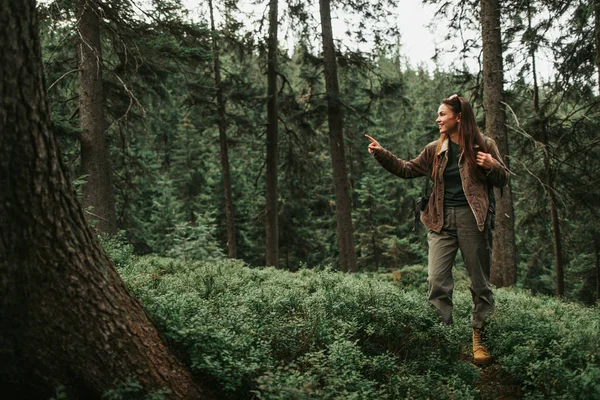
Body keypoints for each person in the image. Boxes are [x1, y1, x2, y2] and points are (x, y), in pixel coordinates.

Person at [365, 94, 510, 365]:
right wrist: (382, 154)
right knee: (436, 281)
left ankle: (480, 339)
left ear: (459, 117)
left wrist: (492, 165)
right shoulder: (435, 148)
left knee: (479, 284)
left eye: (442, 114)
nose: (438, 119)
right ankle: (442, 338)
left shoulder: (484, 144)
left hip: (473, 220)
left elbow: (503, 178)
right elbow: (408, 169)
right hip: (439, 220)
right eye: (438, 114)